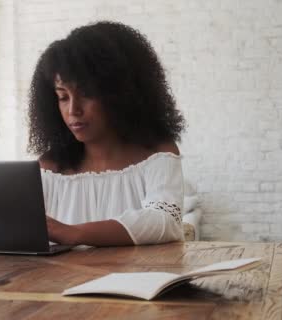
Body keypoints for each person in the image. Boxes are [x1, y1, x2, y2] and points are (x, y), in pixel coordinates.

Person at [27, 21, 186, 247]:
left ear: (121, 94)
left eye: (87, 94)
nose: (73, 110)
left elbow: (164, 220)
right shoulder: (50, 167)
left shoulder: (158, 154)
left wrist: (73, 233)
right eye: (63, 97)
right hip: (62, 282)